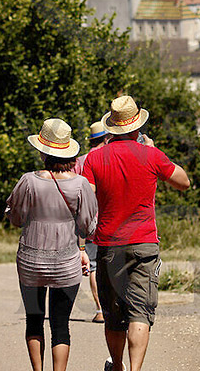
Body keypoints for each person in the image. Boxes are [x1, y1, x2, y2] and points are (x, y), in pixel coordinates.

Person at [79, 96, 191, 371]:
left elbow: (86, 200)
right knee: (140, 311)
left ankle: (117, 365)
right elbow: (184, 182)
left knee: (113, 315)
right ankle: (135, 369)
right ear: (136, 127)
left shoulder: (94, 158)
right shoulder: (152, 155)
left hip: (108, 243)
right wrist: (154, 152)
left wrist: (81, 242)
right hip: (143, 241)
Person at [6, 118, 98, 371]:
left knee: (33, 320)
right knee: (60, 324)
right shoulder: (80, 184)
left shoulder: (28, 181)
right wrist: (80, 249)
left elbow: (15, 218)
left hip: (30, 261)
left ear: (43, 151)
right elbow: (88, 226)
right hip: (66, 262)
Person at [74, 121, 108, 323]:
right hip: (111, 218)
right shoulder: (110, 158)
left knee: (94, 266)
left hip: (88, 221)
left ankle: (100, 309)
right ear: (107, 138)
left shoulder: (80, 161)